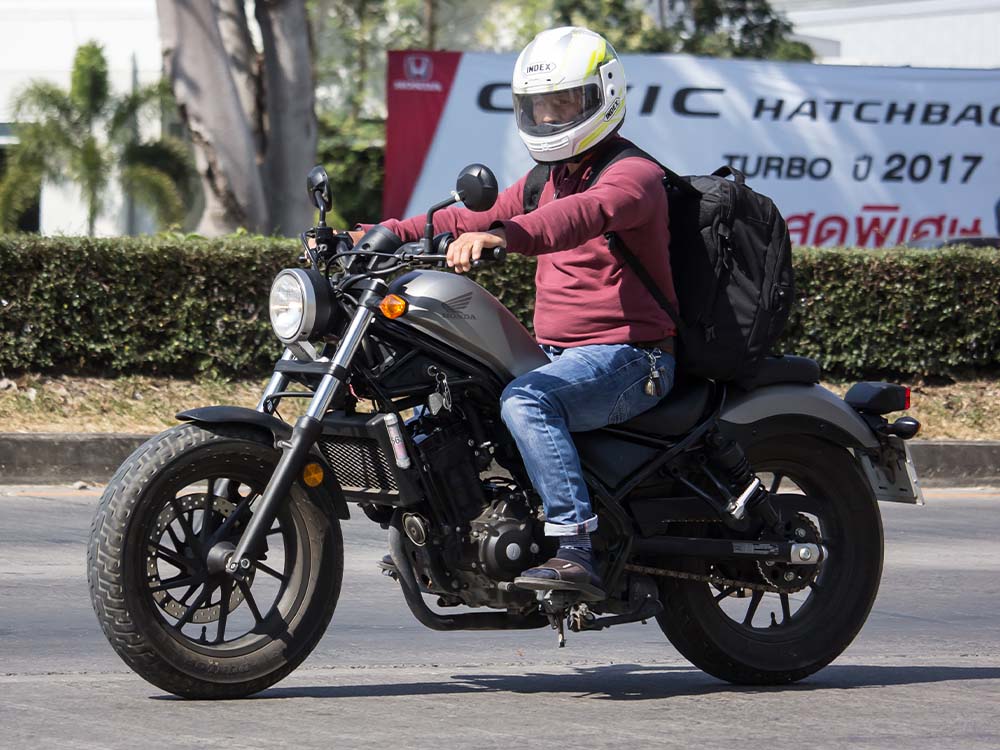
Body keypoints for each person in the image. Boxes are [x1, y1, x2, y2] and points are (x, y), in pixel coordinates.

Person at [356, 26, 679, 598]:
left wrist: (506, 236)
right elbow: (462, 219)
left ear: (604, 95)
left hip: (632, 358)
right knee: (452, 393)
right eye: (540, 106)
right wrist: (381, 233)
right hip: (556, 353)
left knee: (526, 401)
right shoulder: (542, 181)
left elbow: (579, 217)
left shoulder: (634, 176)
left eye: (565, 103)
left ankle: (576, 548)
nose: (551, 117)